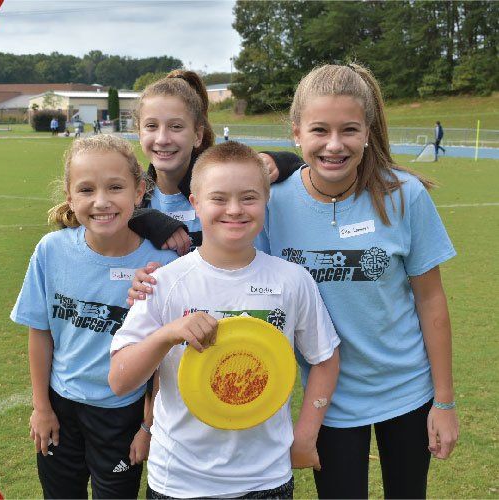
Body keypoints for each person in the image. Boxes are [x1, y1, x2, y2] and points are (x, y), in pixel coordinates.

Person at [129, 63, 459, 498]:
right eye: (320, 130)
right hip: (330, 401)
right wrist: (152, 278)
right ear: (297, 132)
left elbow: (431, 301)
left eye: (350, 130)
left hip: (408, 393)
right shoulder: (274, 200)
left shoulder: (403, 195)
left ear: (368, 130)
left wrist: (444, 401)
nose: (334, 145)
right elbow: (226, 260)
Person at [109, 141, 341, 499]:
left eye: (248, 197)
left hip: (266, 480)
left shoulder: (292, 281)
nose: (234, 210)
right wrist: (166, 335)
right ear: (195, 204)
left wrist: (306, 434)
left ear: (266, 201)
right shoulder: (163, 283)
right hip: (179, 481)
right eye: (218, 198)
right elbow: (120, 381)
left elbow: (324, 358)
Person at [10, 134, 179, 499]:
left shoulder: (162, 265)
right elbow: (40, 333)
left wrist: (147, 426)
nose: (101, 202)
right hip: (60, 408)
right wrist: (42, 409)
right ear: (70, 196)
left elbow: (165, 357)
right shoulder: (51, 251)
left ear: (139, 192)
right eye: (86, 190)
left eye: (115, 187)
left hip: (122, 414)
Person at [127, 70, 304, 254]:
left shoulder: (223, 185)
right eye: (151, 126)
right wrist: (142, 217)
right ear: (139, 133)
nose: (162, 139)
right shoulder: (134, 198)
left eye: (176, 127)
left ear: (197, 135)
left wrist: (280, 161)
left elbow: (305, 170)